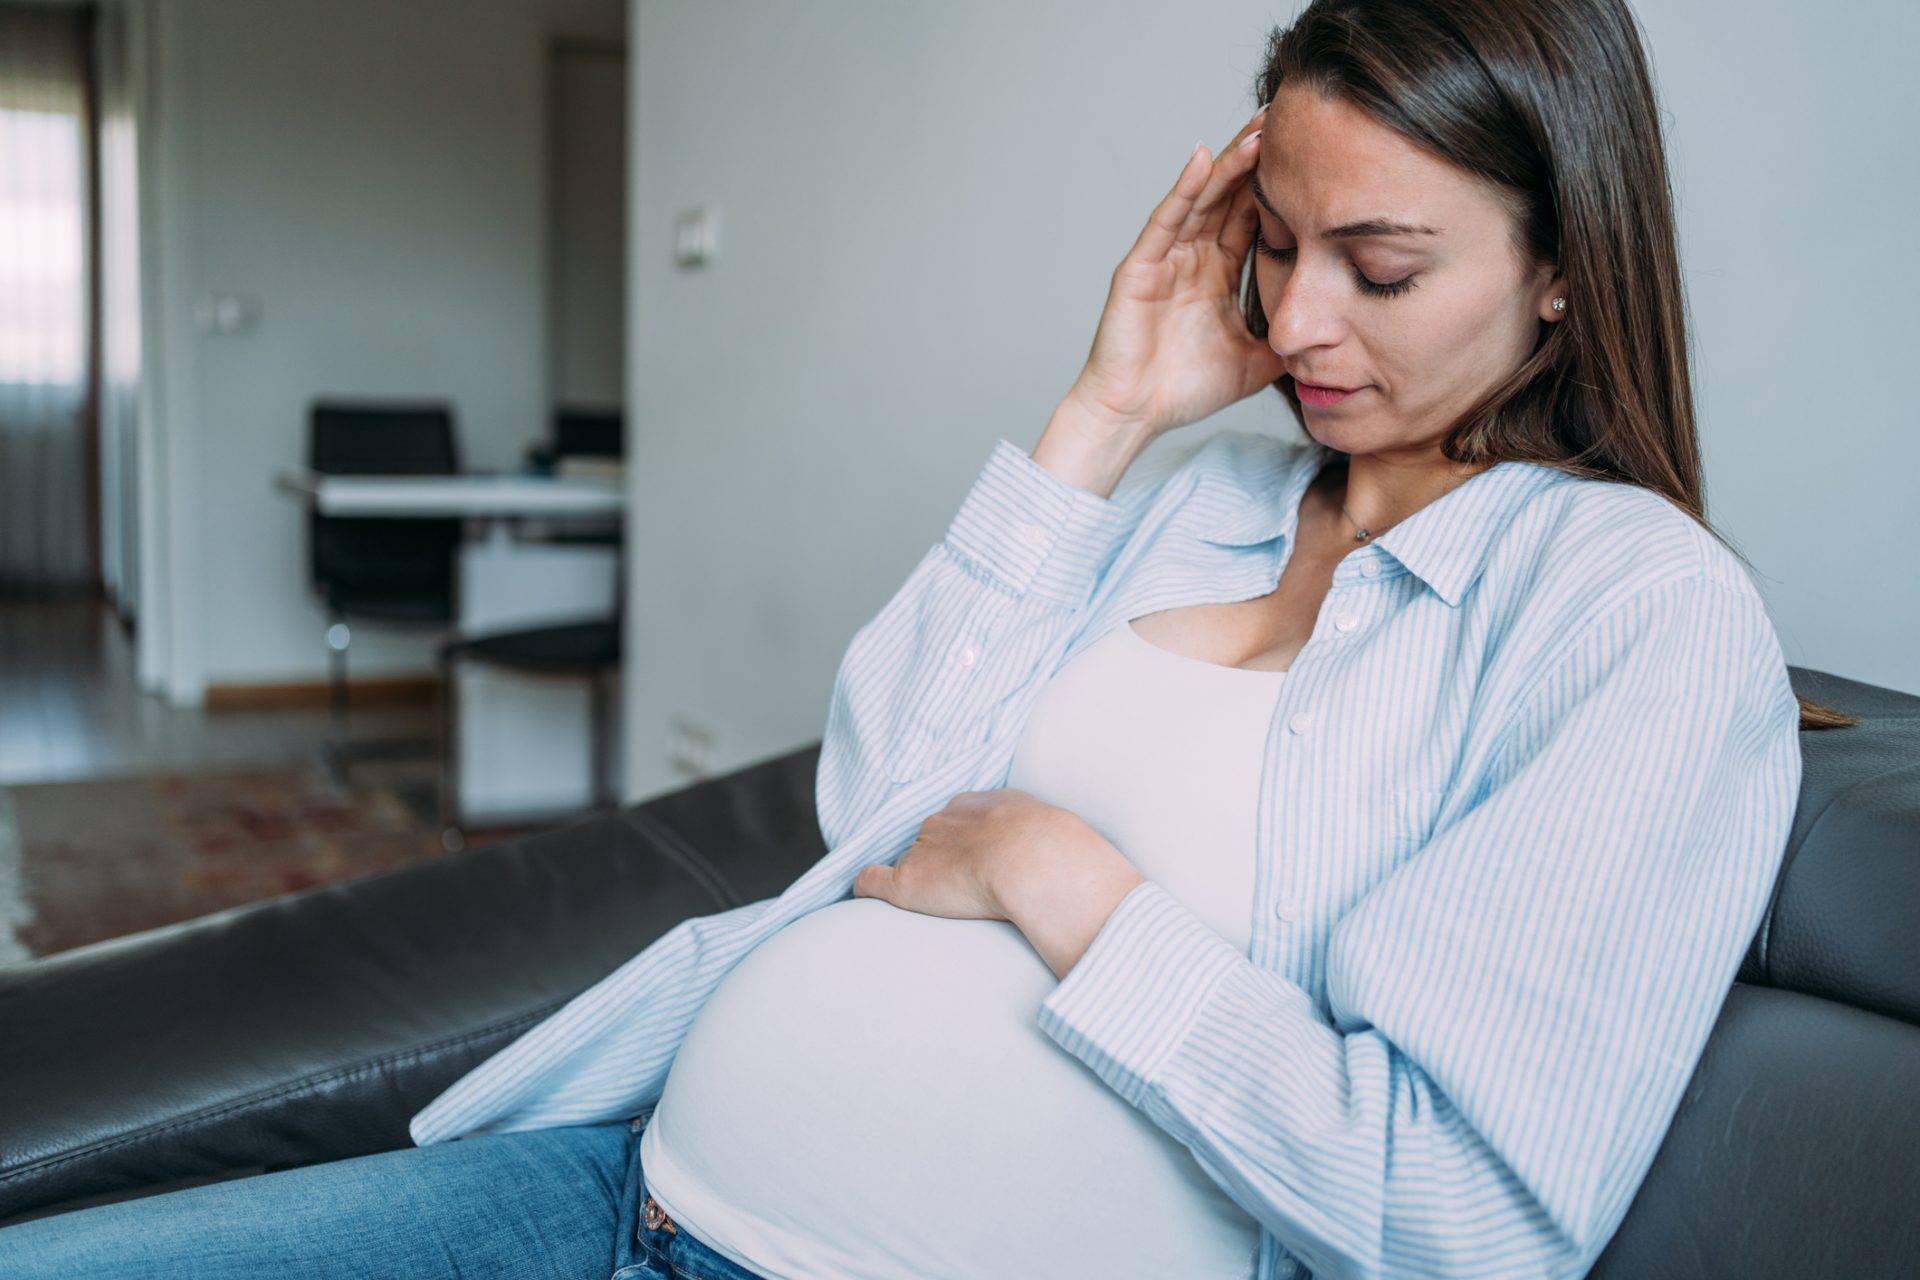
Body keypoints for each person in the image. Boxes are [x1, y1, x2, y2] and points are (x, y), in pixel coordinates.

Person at [0, 0, 1850, 1277]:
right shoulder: (1204, 494)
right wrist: (1104, 413)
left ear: (1558, 265)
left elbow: (1457, 1217)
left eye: (1380, 268)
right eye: (1272, 246)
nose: (1297, 322)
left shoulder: (1629, 614)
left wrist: (1067, 882)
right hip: (615, 1182)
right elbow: (871, 803)